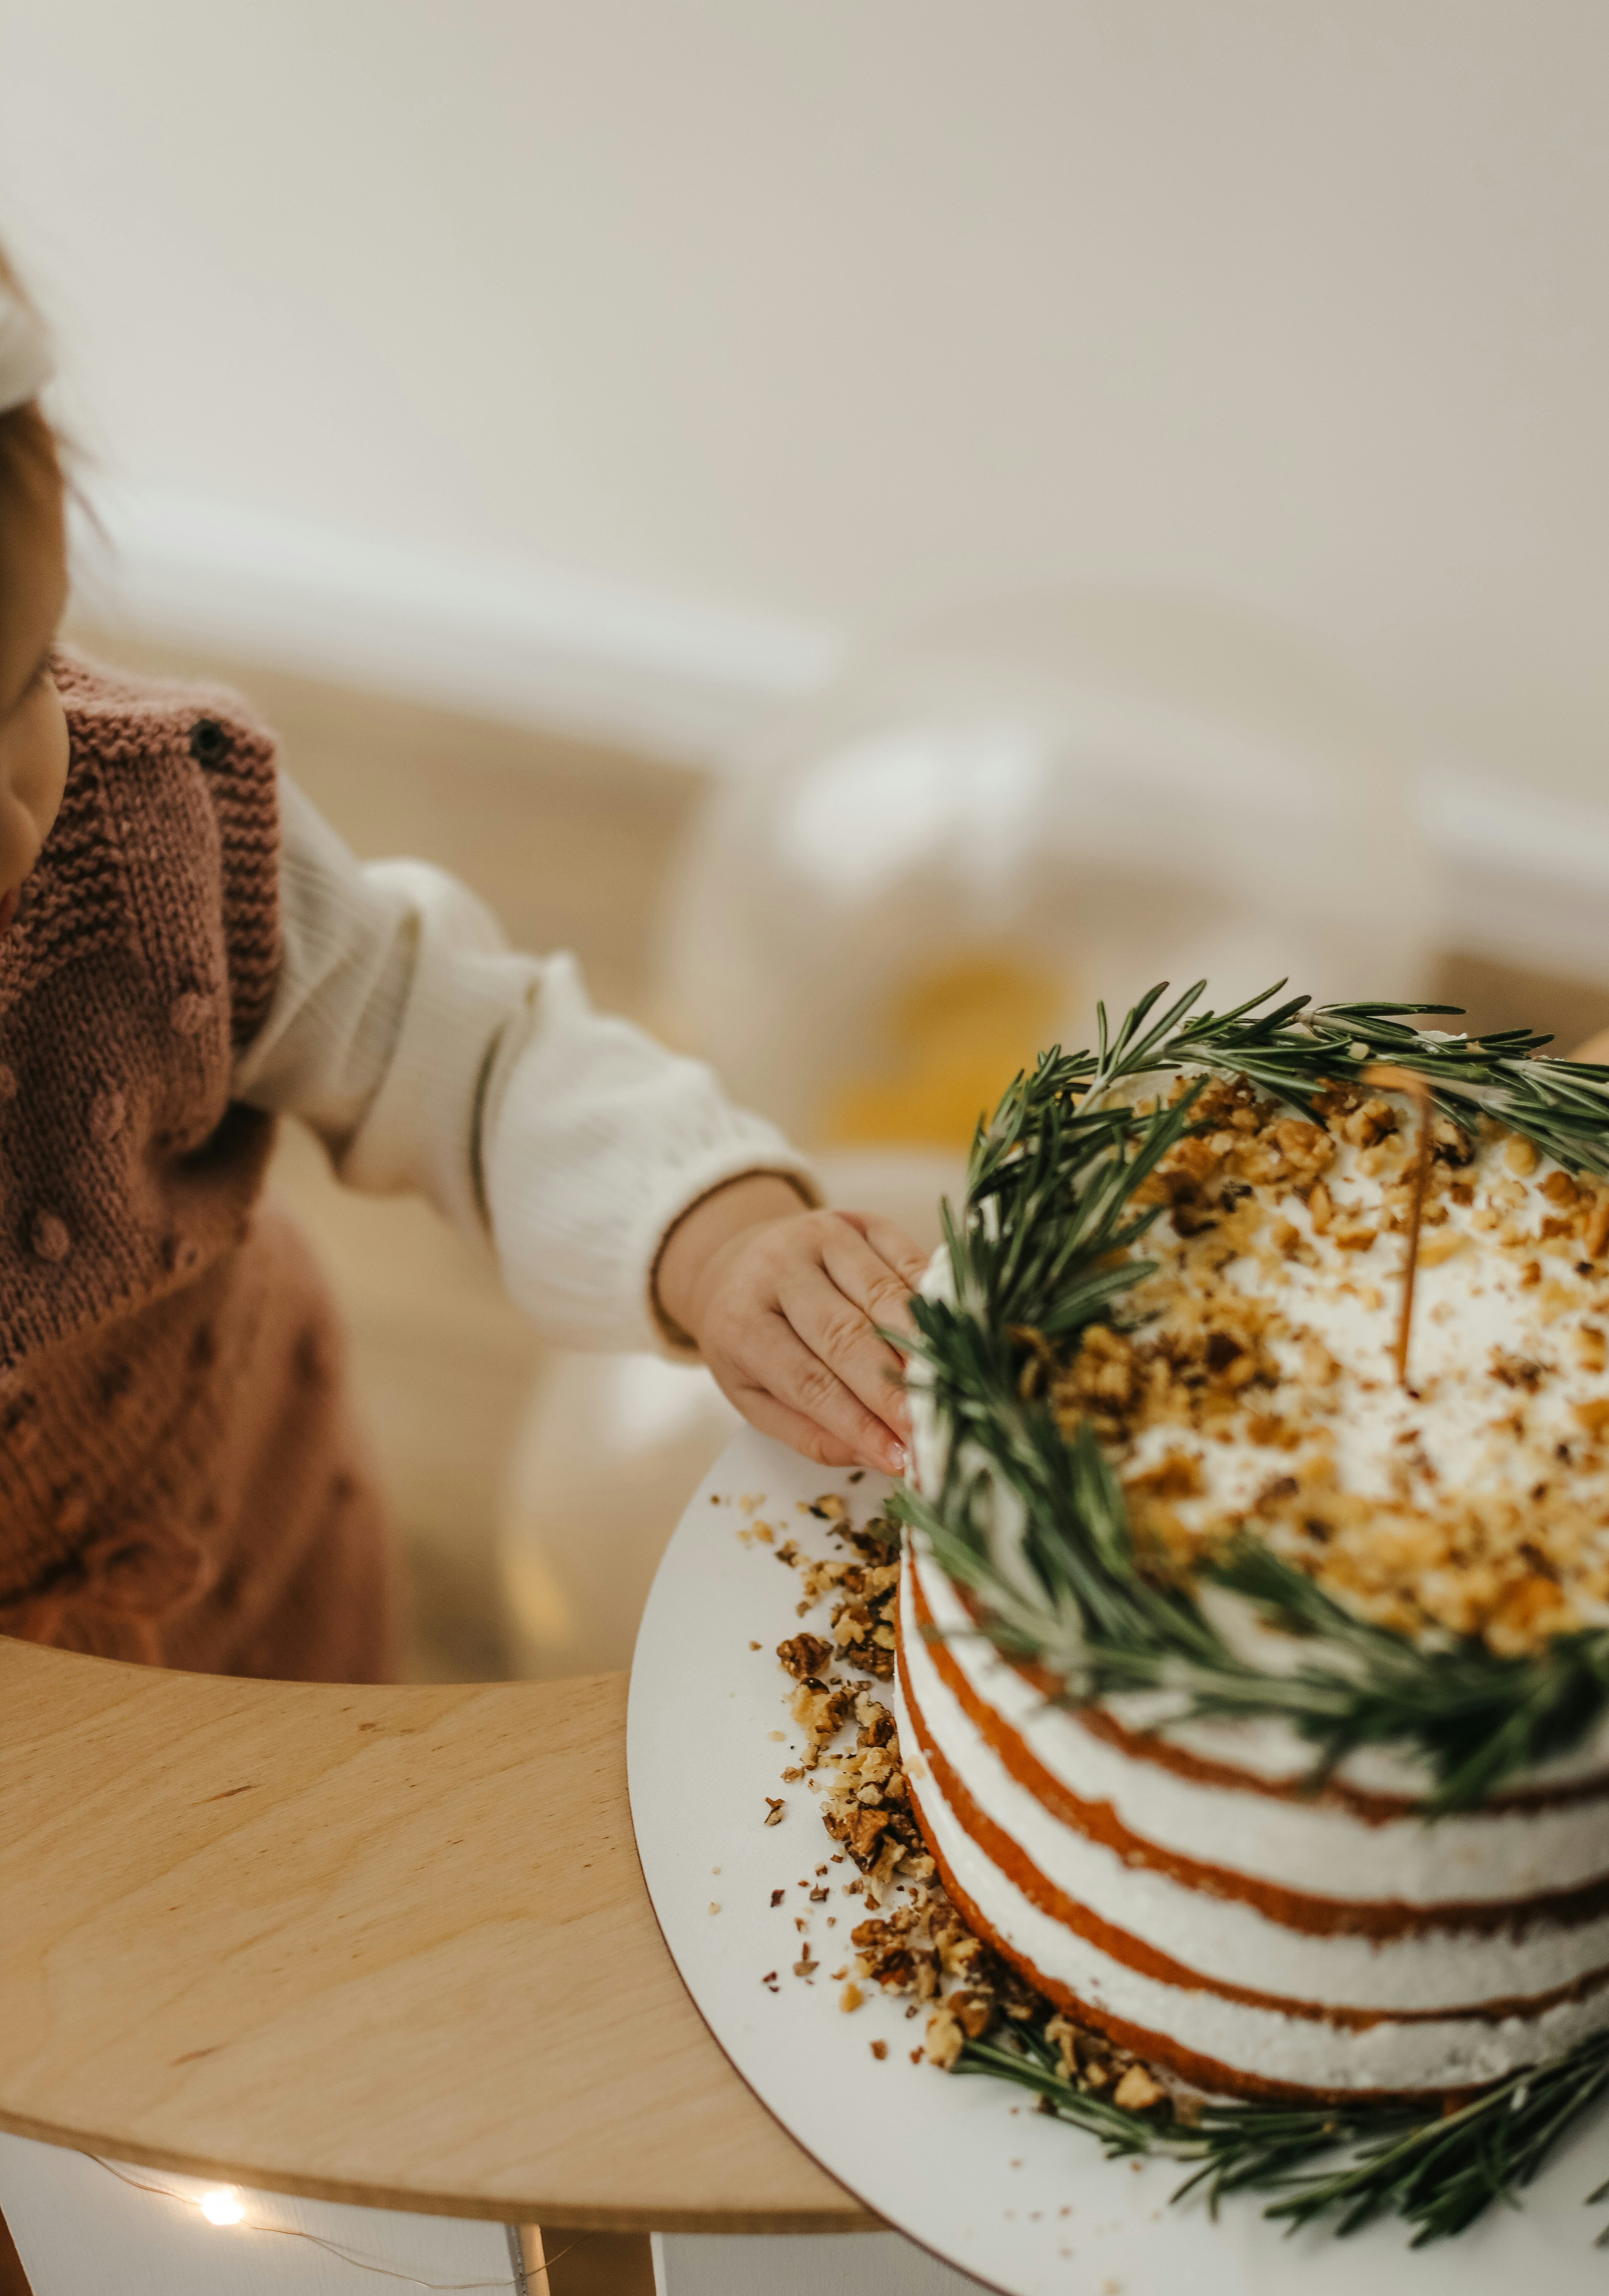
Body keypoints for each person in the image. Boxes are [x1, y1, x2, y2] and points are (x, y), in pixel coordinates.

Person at [0, 254, 925, 1681]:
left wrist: (719, 1239)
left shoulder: (158, 829)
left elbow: (472, 1058)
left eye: (17, 687)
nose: (10, 822)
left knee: (320, 1762)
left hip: (232, 1521)